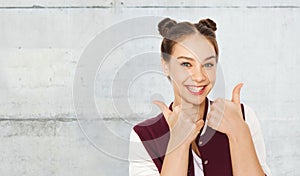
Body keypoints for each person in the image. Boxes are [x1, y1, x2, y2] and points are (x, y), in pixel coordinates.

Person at [129, 17, 271, 176]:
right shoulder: (144, 135)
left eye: (208, 64)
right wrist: (178, 142)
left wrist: (239, 132)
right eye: (186, 64)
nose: (199, 76)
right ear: (166, 66)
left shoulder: (243, 117)